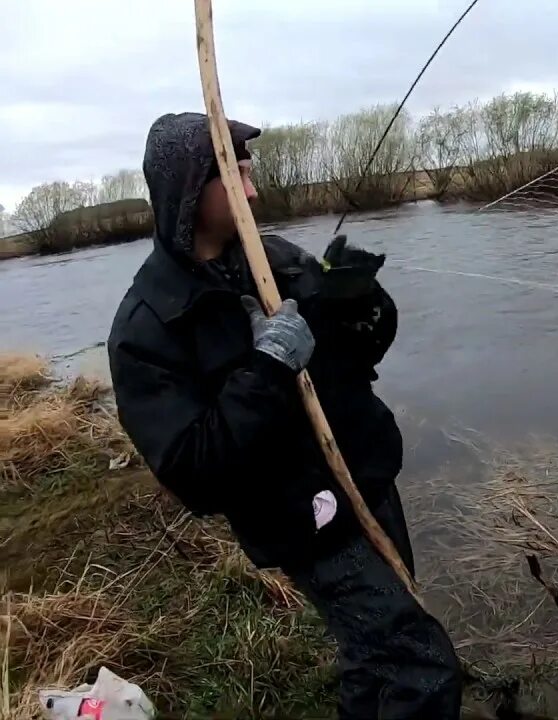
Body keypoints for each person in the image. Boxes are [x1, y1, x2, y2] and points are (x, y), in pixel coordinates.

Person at [106, 112, 463, 719]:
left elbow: (357, 358)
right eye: (234, 175)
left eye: (250, 172)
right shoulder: (147, 327)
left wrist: (362, 305)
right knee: (422, 669)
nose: (252, 190)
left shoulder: (273, 257)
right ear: (190, 191)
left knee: (370, 651)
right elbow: (194, 471)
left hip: (367, 477)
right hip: (303, 521)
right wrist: (268, 369)